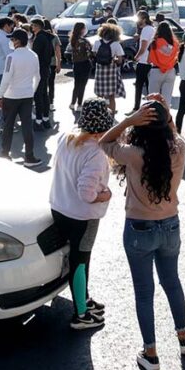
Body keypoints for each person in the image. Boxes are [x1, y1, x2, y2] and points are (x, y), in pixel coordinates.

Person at [99, 98, 185, 370]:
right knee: (172, 282)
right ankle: (184, 339)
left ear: (141, 126)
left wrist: (129, 120)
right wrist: (164, 115)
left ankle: (150, 354)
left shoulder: (133, 153)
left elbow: (103, 142)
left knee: (144, 292)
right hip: (170, 225)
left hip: (139, 227)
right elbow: (174, 133)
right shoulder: (179, 148)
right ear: (167, 125)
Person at [49, 98, 115, 330]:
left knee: (76, 260)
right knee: (80, 261)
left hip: (59, 207)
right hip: (83, 216)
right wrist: (105, 196)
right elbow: (87, 193)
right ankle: (81, 314)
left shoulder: (66, 138)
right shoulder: (95, 153)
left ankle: (83, 298)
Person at [0, 28, 43, 167]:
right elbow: (38, 77)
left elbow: (6, 78)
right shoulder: (33, 55)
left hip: (11, 96)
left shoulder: (11, 57)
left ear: (17, 41)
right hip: (27, 95)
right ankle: (29, 156)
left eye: (12, 39)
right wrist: (31, 91)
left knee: (8, 126)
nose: (11, 42)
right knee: (27, 126)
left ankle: (5, 154)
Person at [93, 23, 126, 113]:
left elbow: (94, 55)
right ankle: (111, 115)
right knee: (111, 96)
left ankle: (99, 114)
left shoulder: (97, 43)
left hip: (100, 71)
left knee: (99, 96)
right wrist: (114, 60)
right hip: (111, 71)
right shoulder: (116, 44)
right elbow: (119, 60)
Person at [30, 18, 55, 129]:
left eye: (33, 26)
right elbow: (52, 53)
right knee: (44, 94)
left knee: (38, 95)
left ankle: (39, 120)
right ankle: (45, 119)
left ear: (38, 26)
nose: (32, 28)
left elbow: (35, 56)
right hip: (46, 68)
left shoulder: (39, 38)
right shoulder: (48, 37)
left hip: (39, 69)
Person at [148, 21, 180, 104]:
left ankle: (155, 116)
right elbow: (176, 58)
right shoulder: (175, 44)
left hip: (156, 71)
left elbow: (149, 60)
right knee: (166, 99)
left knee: (153, 99)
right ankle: (165, 115)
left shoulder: (154, 42)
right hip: (170, 71)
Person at [130, 11, 155, 112]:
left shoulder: (145, 30)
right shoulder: (152, 29)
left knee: (139, 86)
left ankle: (136, 108)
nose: (138, 21)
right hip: (150, 61)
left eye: (139, 19)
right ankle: (152, 107)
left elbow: (143, 47)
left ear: (144, 19)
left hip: (143, 61)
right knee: (149, 86)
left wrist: (136, 57)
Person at [68, 22, 93, 112]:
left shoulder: (73, 40)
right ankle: (79, 104)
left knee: (76, 85)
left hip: (76, 64)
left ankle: (72, 103)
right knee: (82, 85)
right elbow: (90, 53)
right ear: (82, 29)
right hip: (85, 64)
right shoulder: (84, 41)